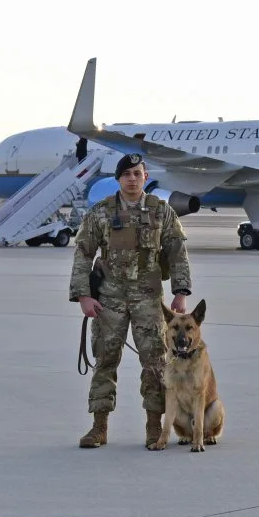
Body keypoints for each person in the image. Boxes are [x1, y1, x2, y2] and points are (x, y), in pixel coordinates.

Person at [69, 153, 192, 449]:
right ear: (118, 179)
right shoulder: (101, 212)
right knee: (105, 361)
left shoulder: (161, 211)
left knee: (155, 364)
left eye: (138, 174)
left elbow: (177, 251)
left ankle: (154, 427)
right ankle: (99, 428)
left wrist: (180, 292)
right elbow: (84, 253)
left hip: (149, 300)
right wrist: (84, 295)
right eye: (127, 174)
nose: (132, 179)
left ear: (146, 177)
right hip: (109, 300)